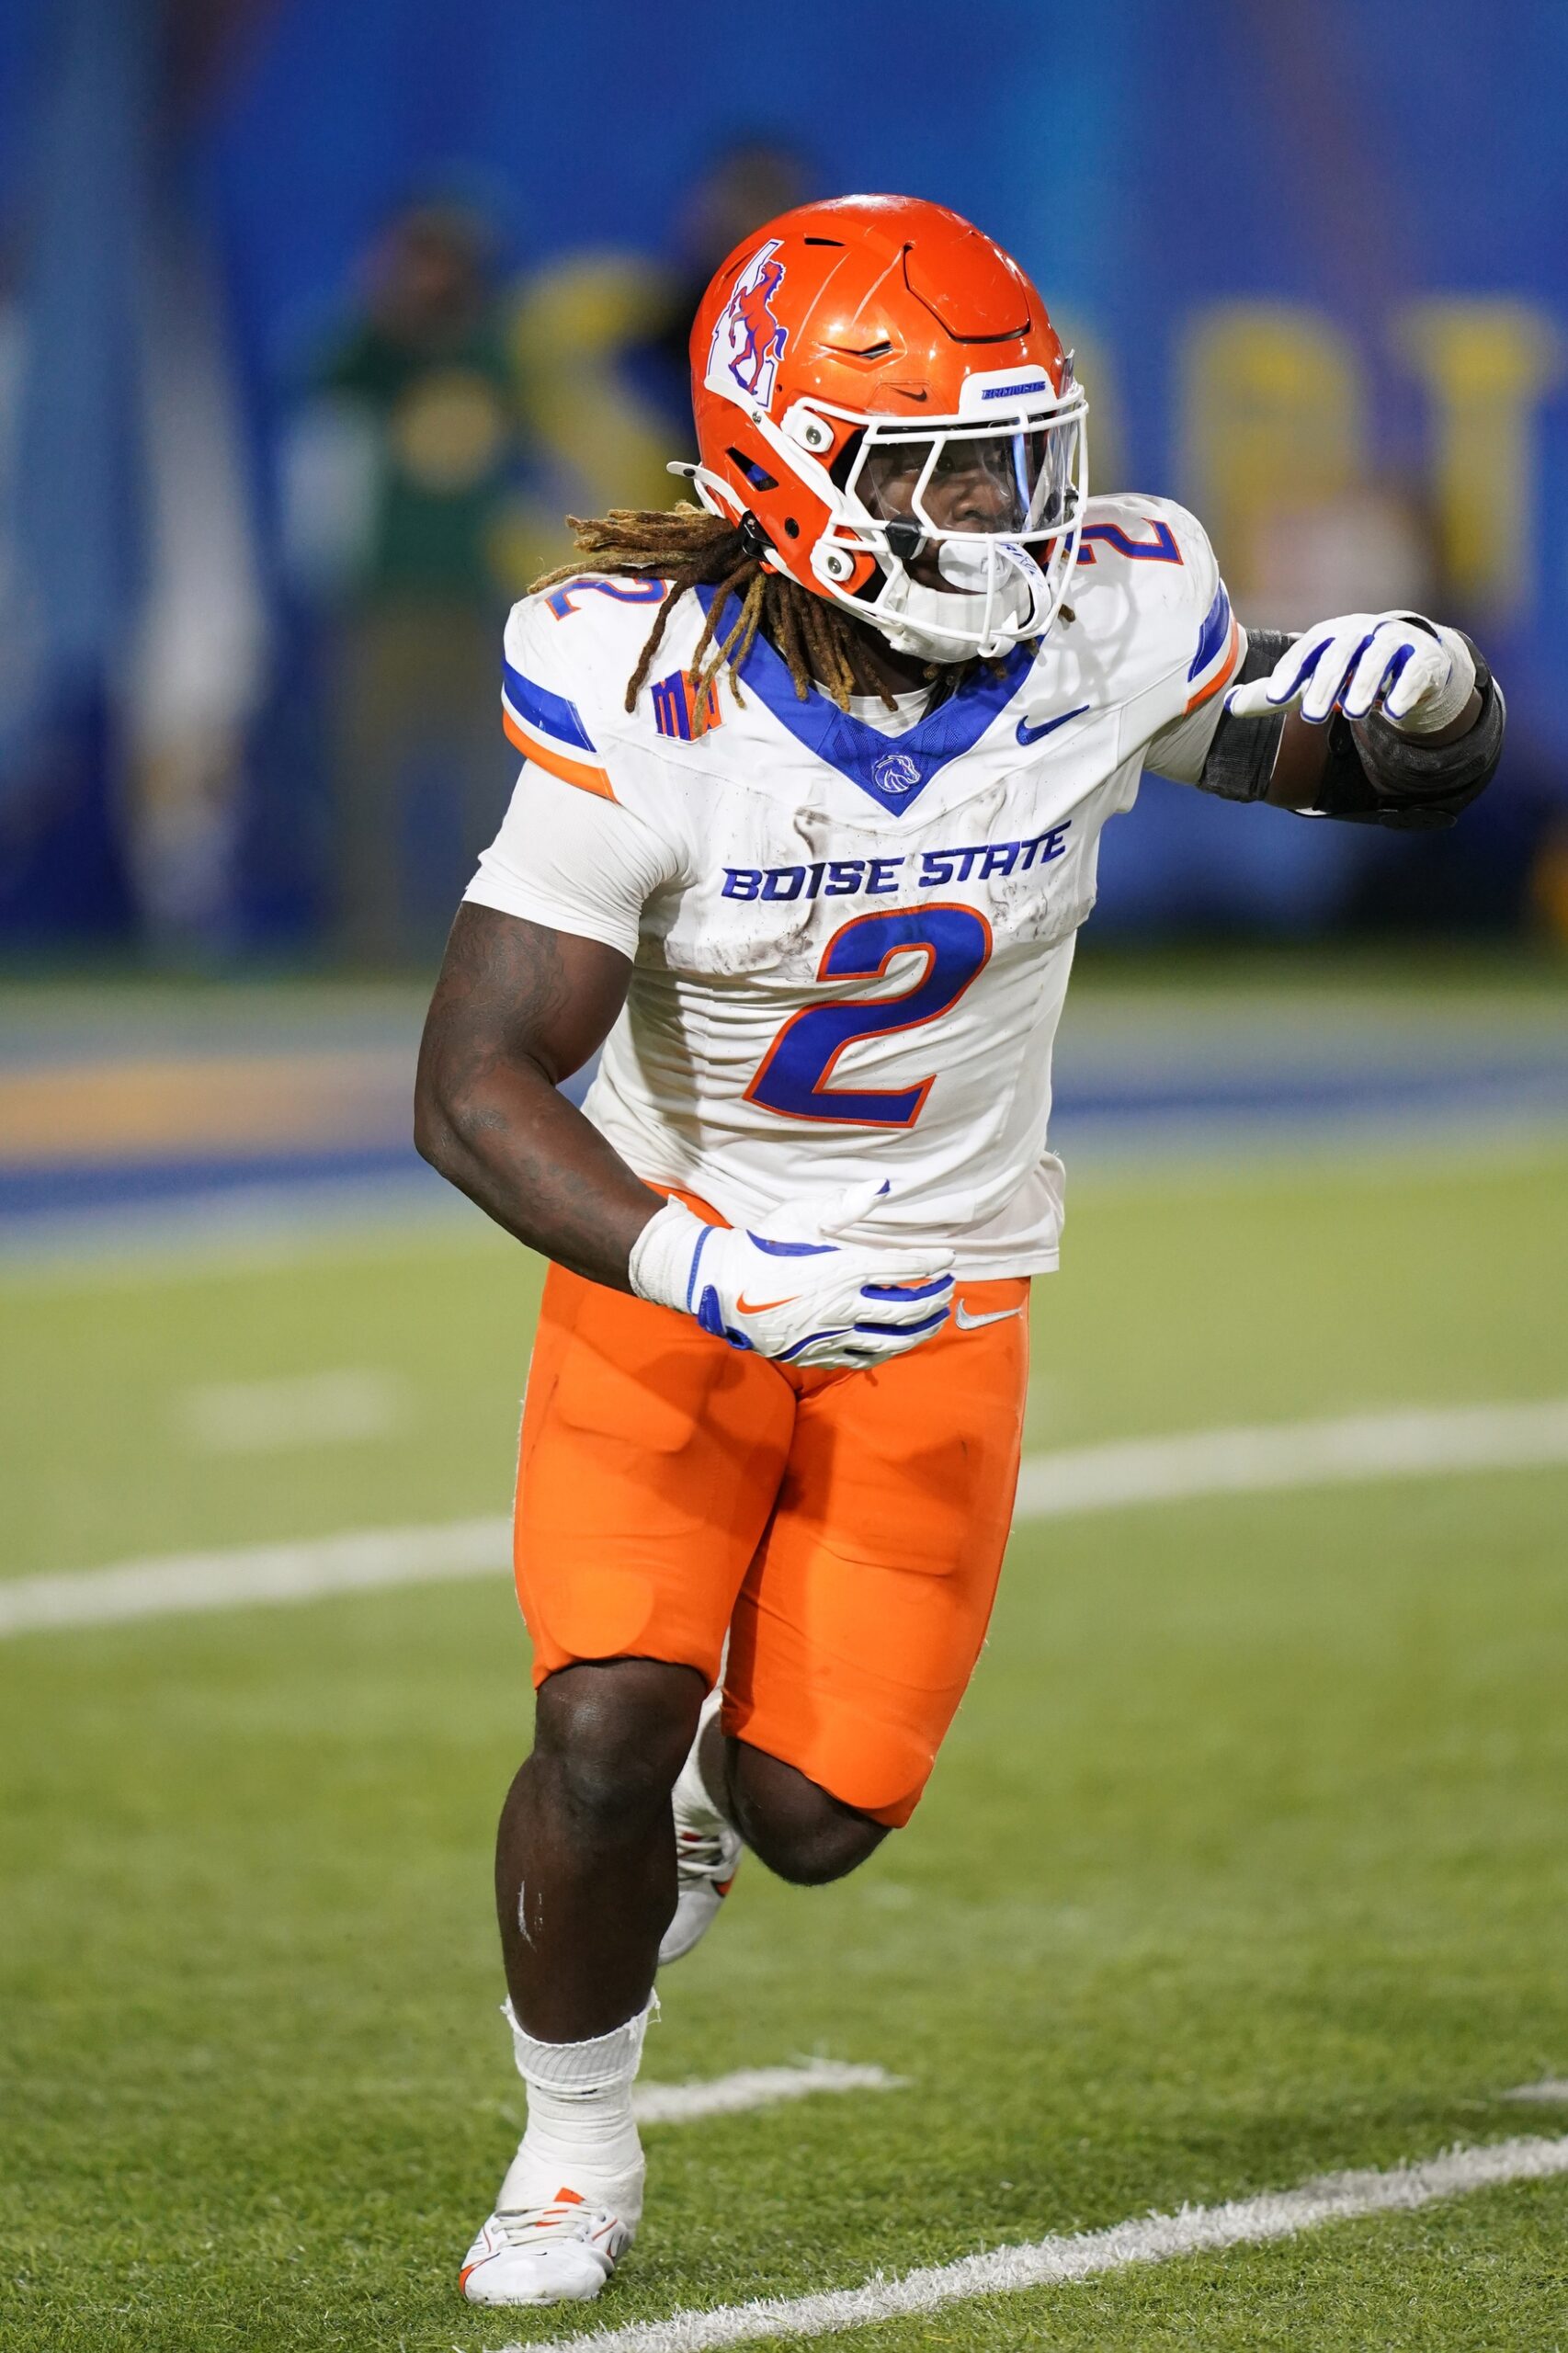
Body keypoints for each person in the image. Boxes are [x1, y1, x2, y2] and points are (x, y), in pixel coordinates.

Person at [413, 195, 1505, 2309]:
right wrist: (709, 1269)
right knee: (607, 1716)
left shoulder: (1095, 626)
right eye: (940, 471)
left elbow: (1341, 765)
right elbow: (476, 1086)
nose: (1005, 514)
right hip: (680, 1264)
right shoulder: (649, 694)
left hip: (947, 1282)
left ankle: (724, 1816)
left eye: (1022, 453)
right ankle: (573, 2143)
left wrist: (1434, 707)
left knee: (812, 1811)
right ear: (785, 468)